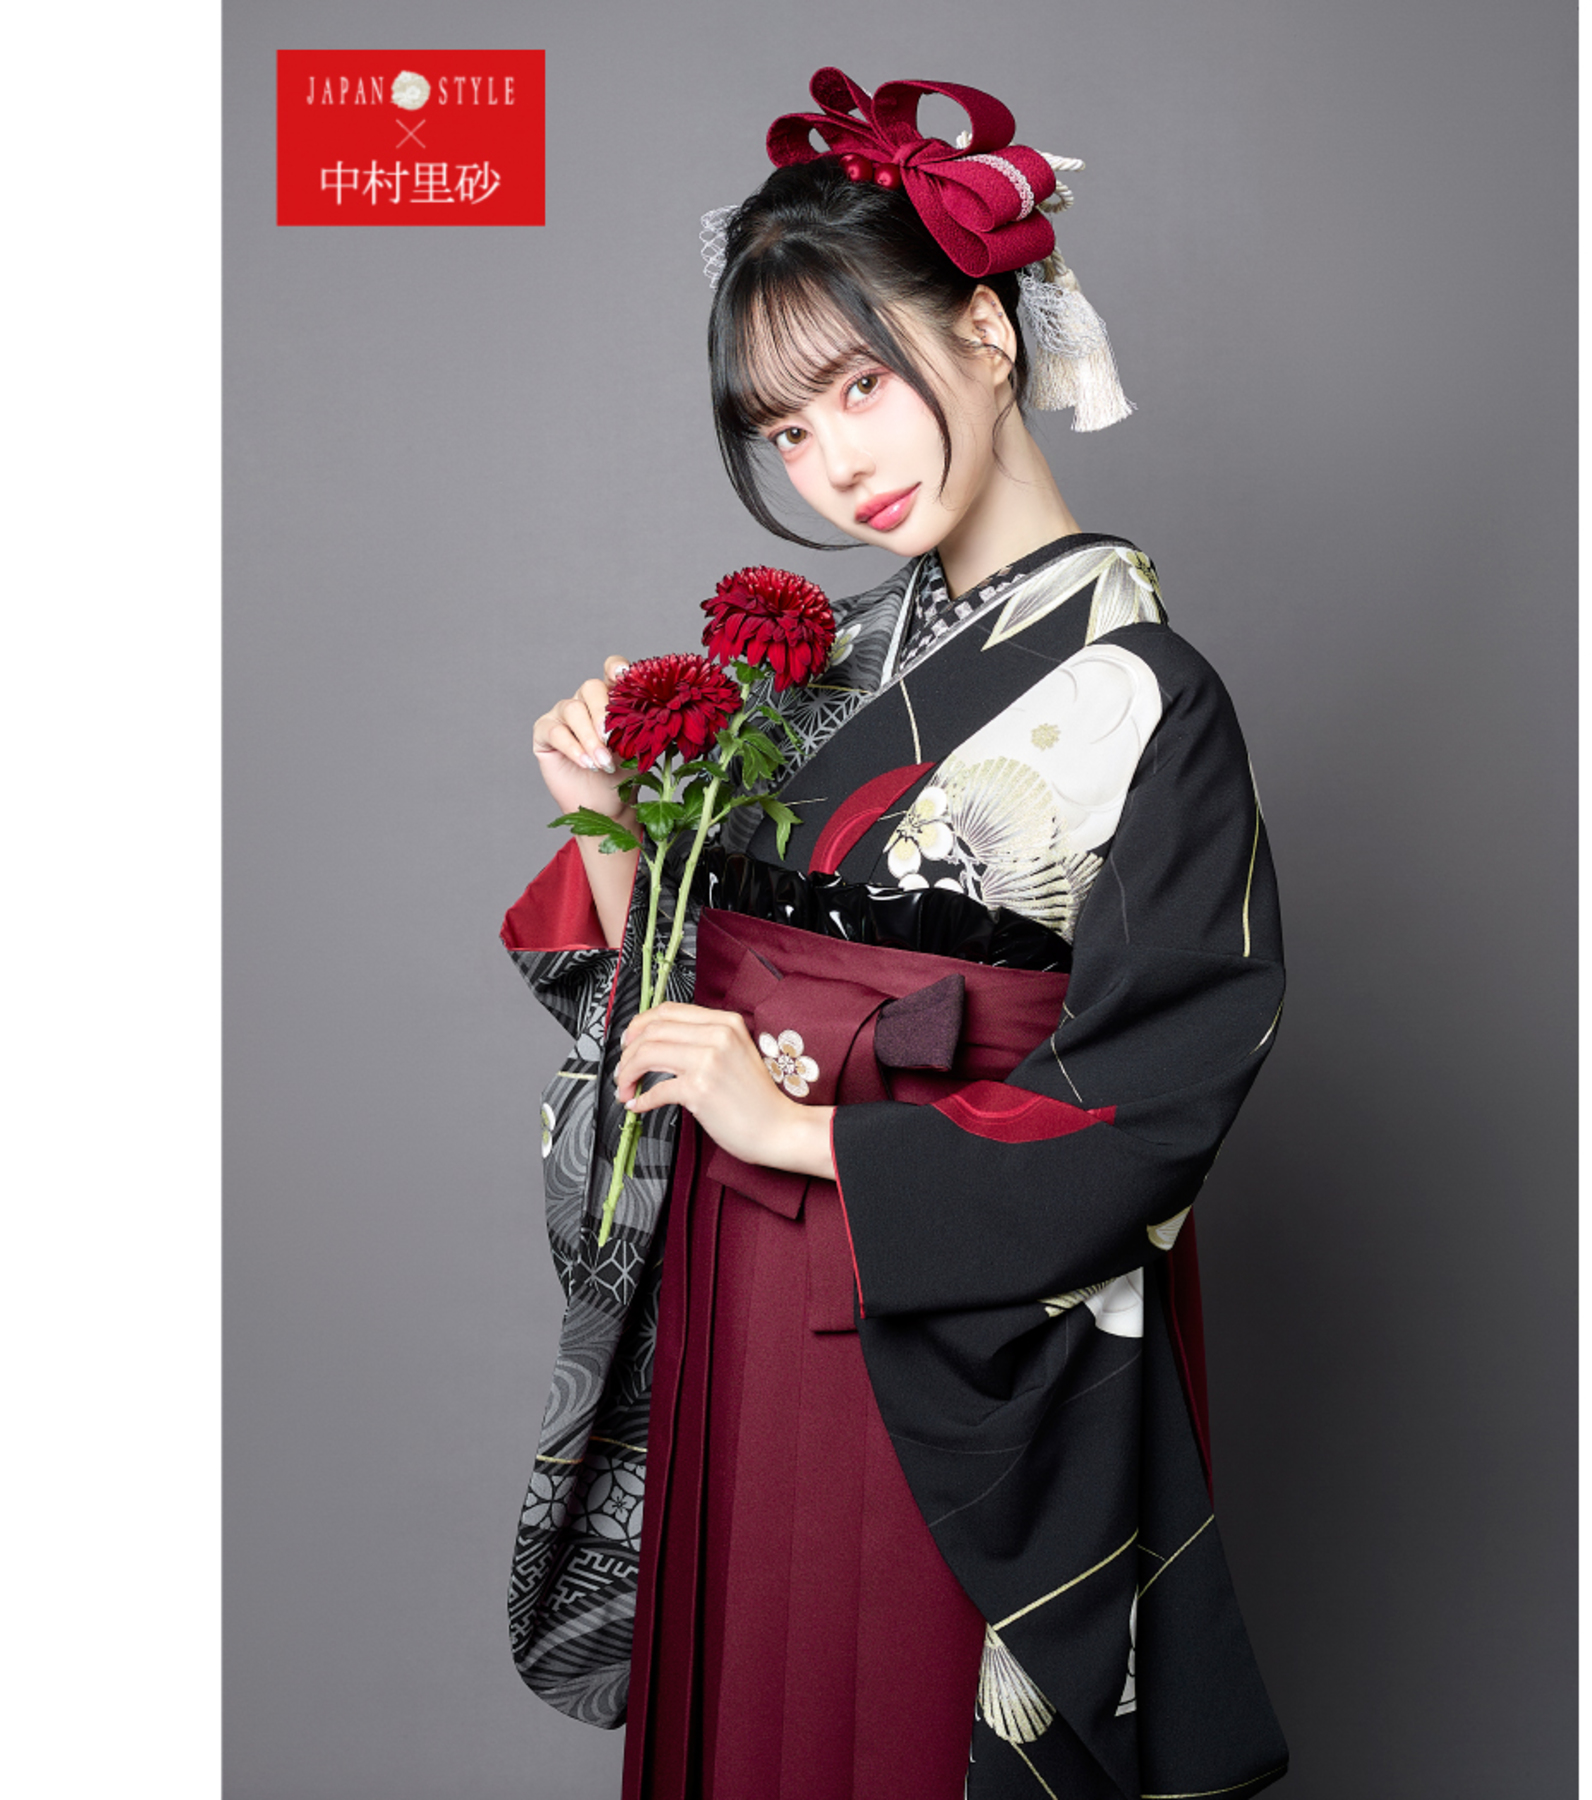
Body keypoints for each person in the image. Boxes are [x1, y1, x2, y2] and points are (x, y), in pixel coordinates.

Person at [503, 67, 1289, 1800]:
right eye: (787, 429)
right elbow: (679, 1006)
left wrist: (804, 1130)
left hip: (944, 1310)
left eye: (860, 384)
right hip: (738, 1278)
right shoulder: (821, 673)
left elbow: (1155, 1103)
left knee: (900, 1722)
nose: (833, 461)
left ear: (989, 335)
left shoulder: (1153, 697)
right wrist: (614, 833)